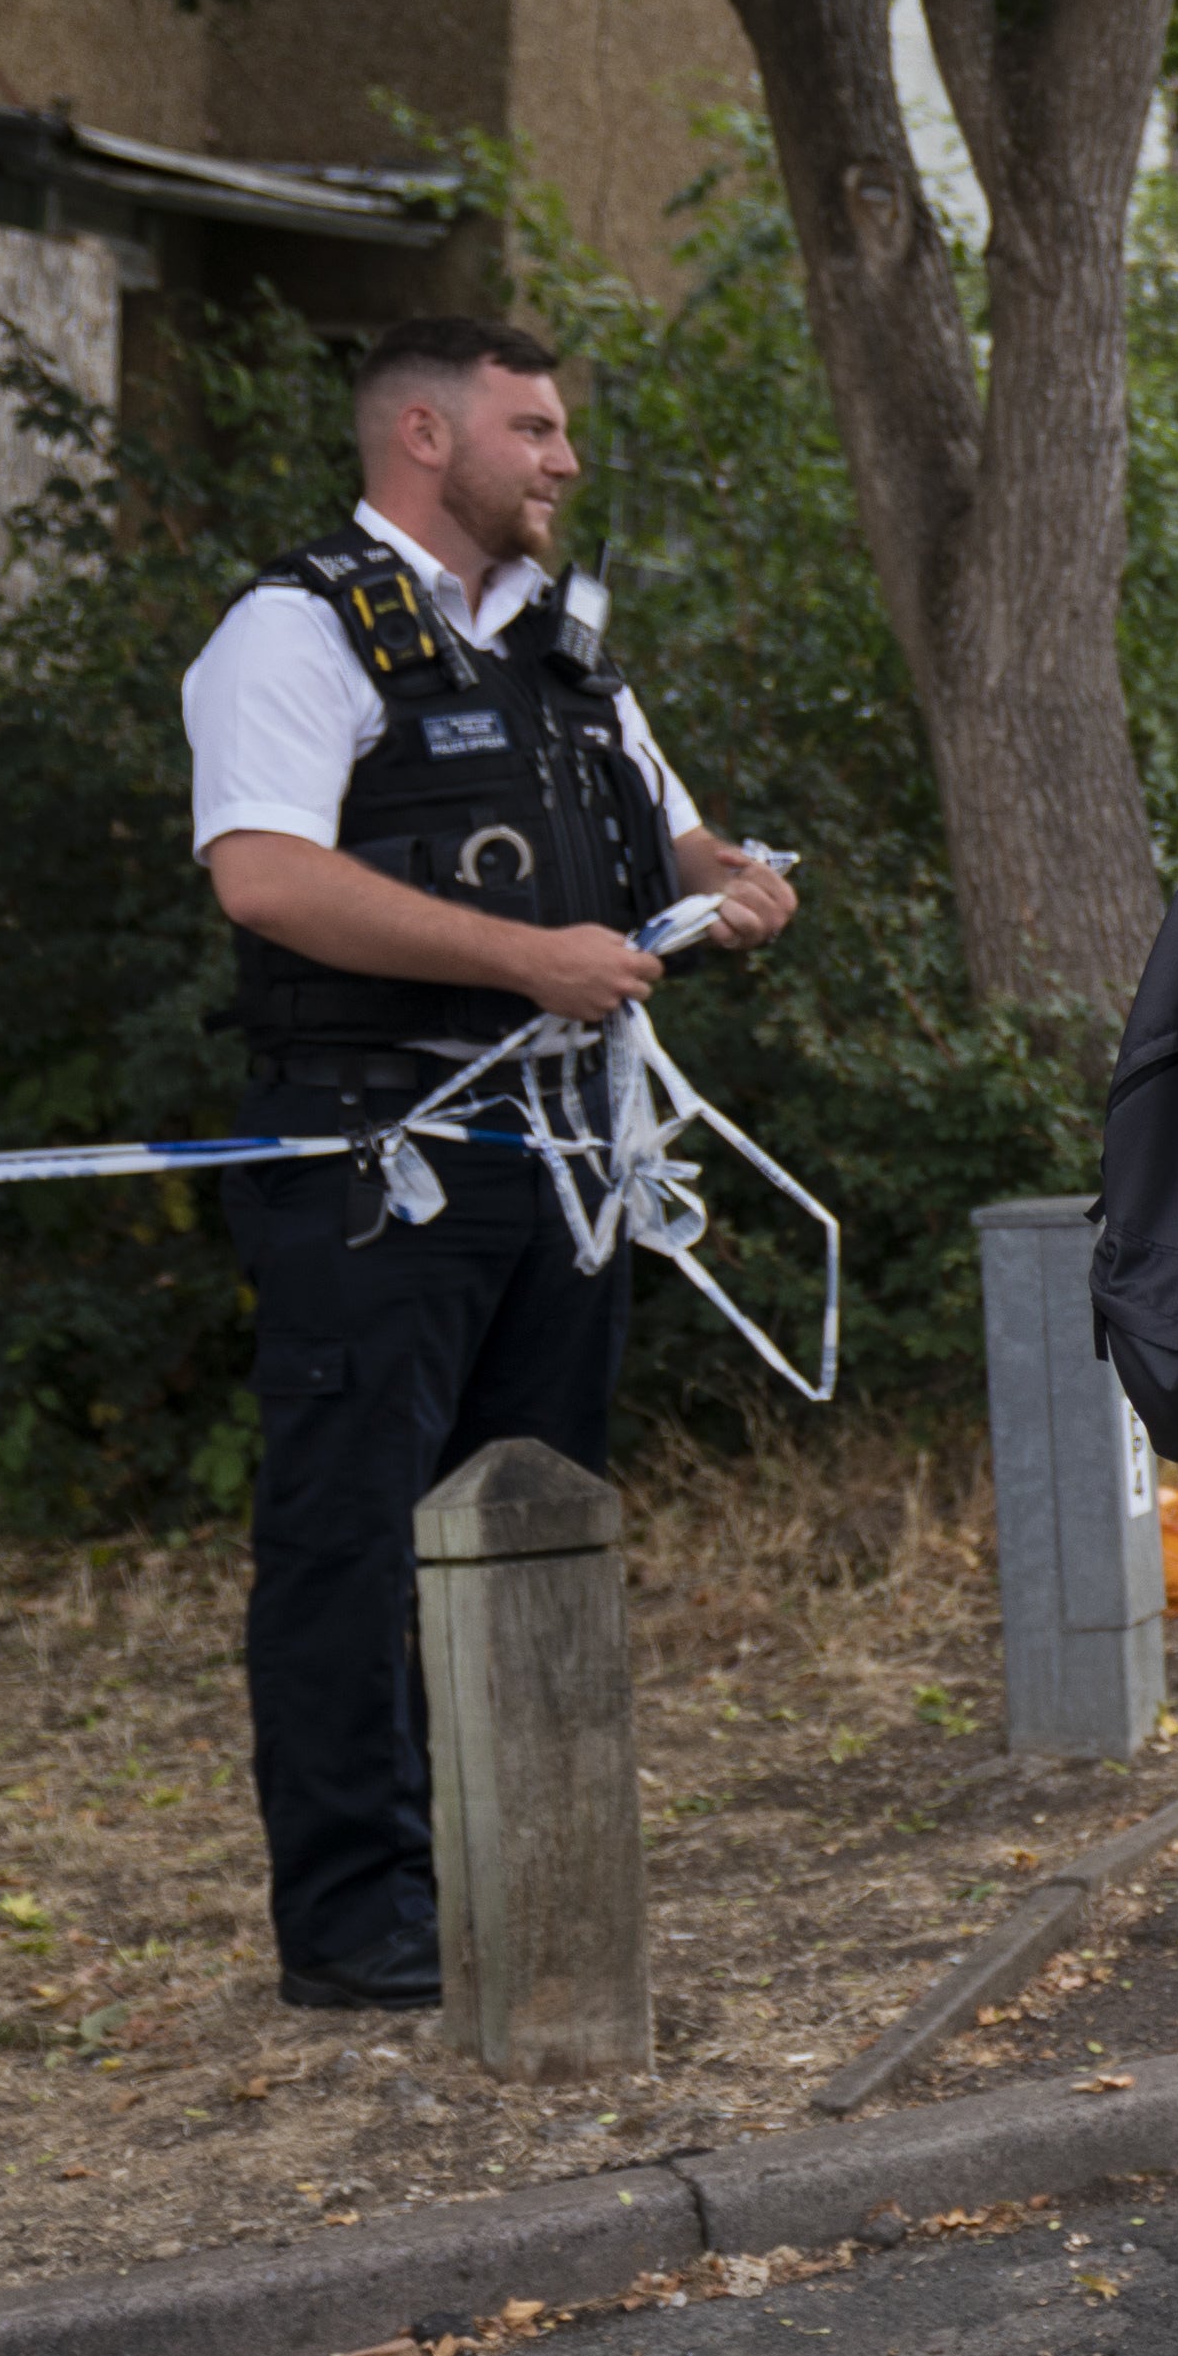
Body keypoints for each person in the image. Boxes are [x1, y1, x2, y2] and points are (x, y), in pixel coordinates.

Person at [186, 311, 799, 2013]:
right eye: (533, 429)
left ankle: (521, 1879)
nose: (565, 459)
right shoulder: (293, 633)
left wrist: (737, 879)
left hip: (562, 1169)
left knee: (533, 1524)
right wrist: (527, 960)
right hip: (371, 1173)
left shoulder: (569, 650)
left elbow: (674, 837)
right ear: (424, 440)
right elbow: (263, 879)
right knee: (351, 1549)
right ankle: (361, 1930)